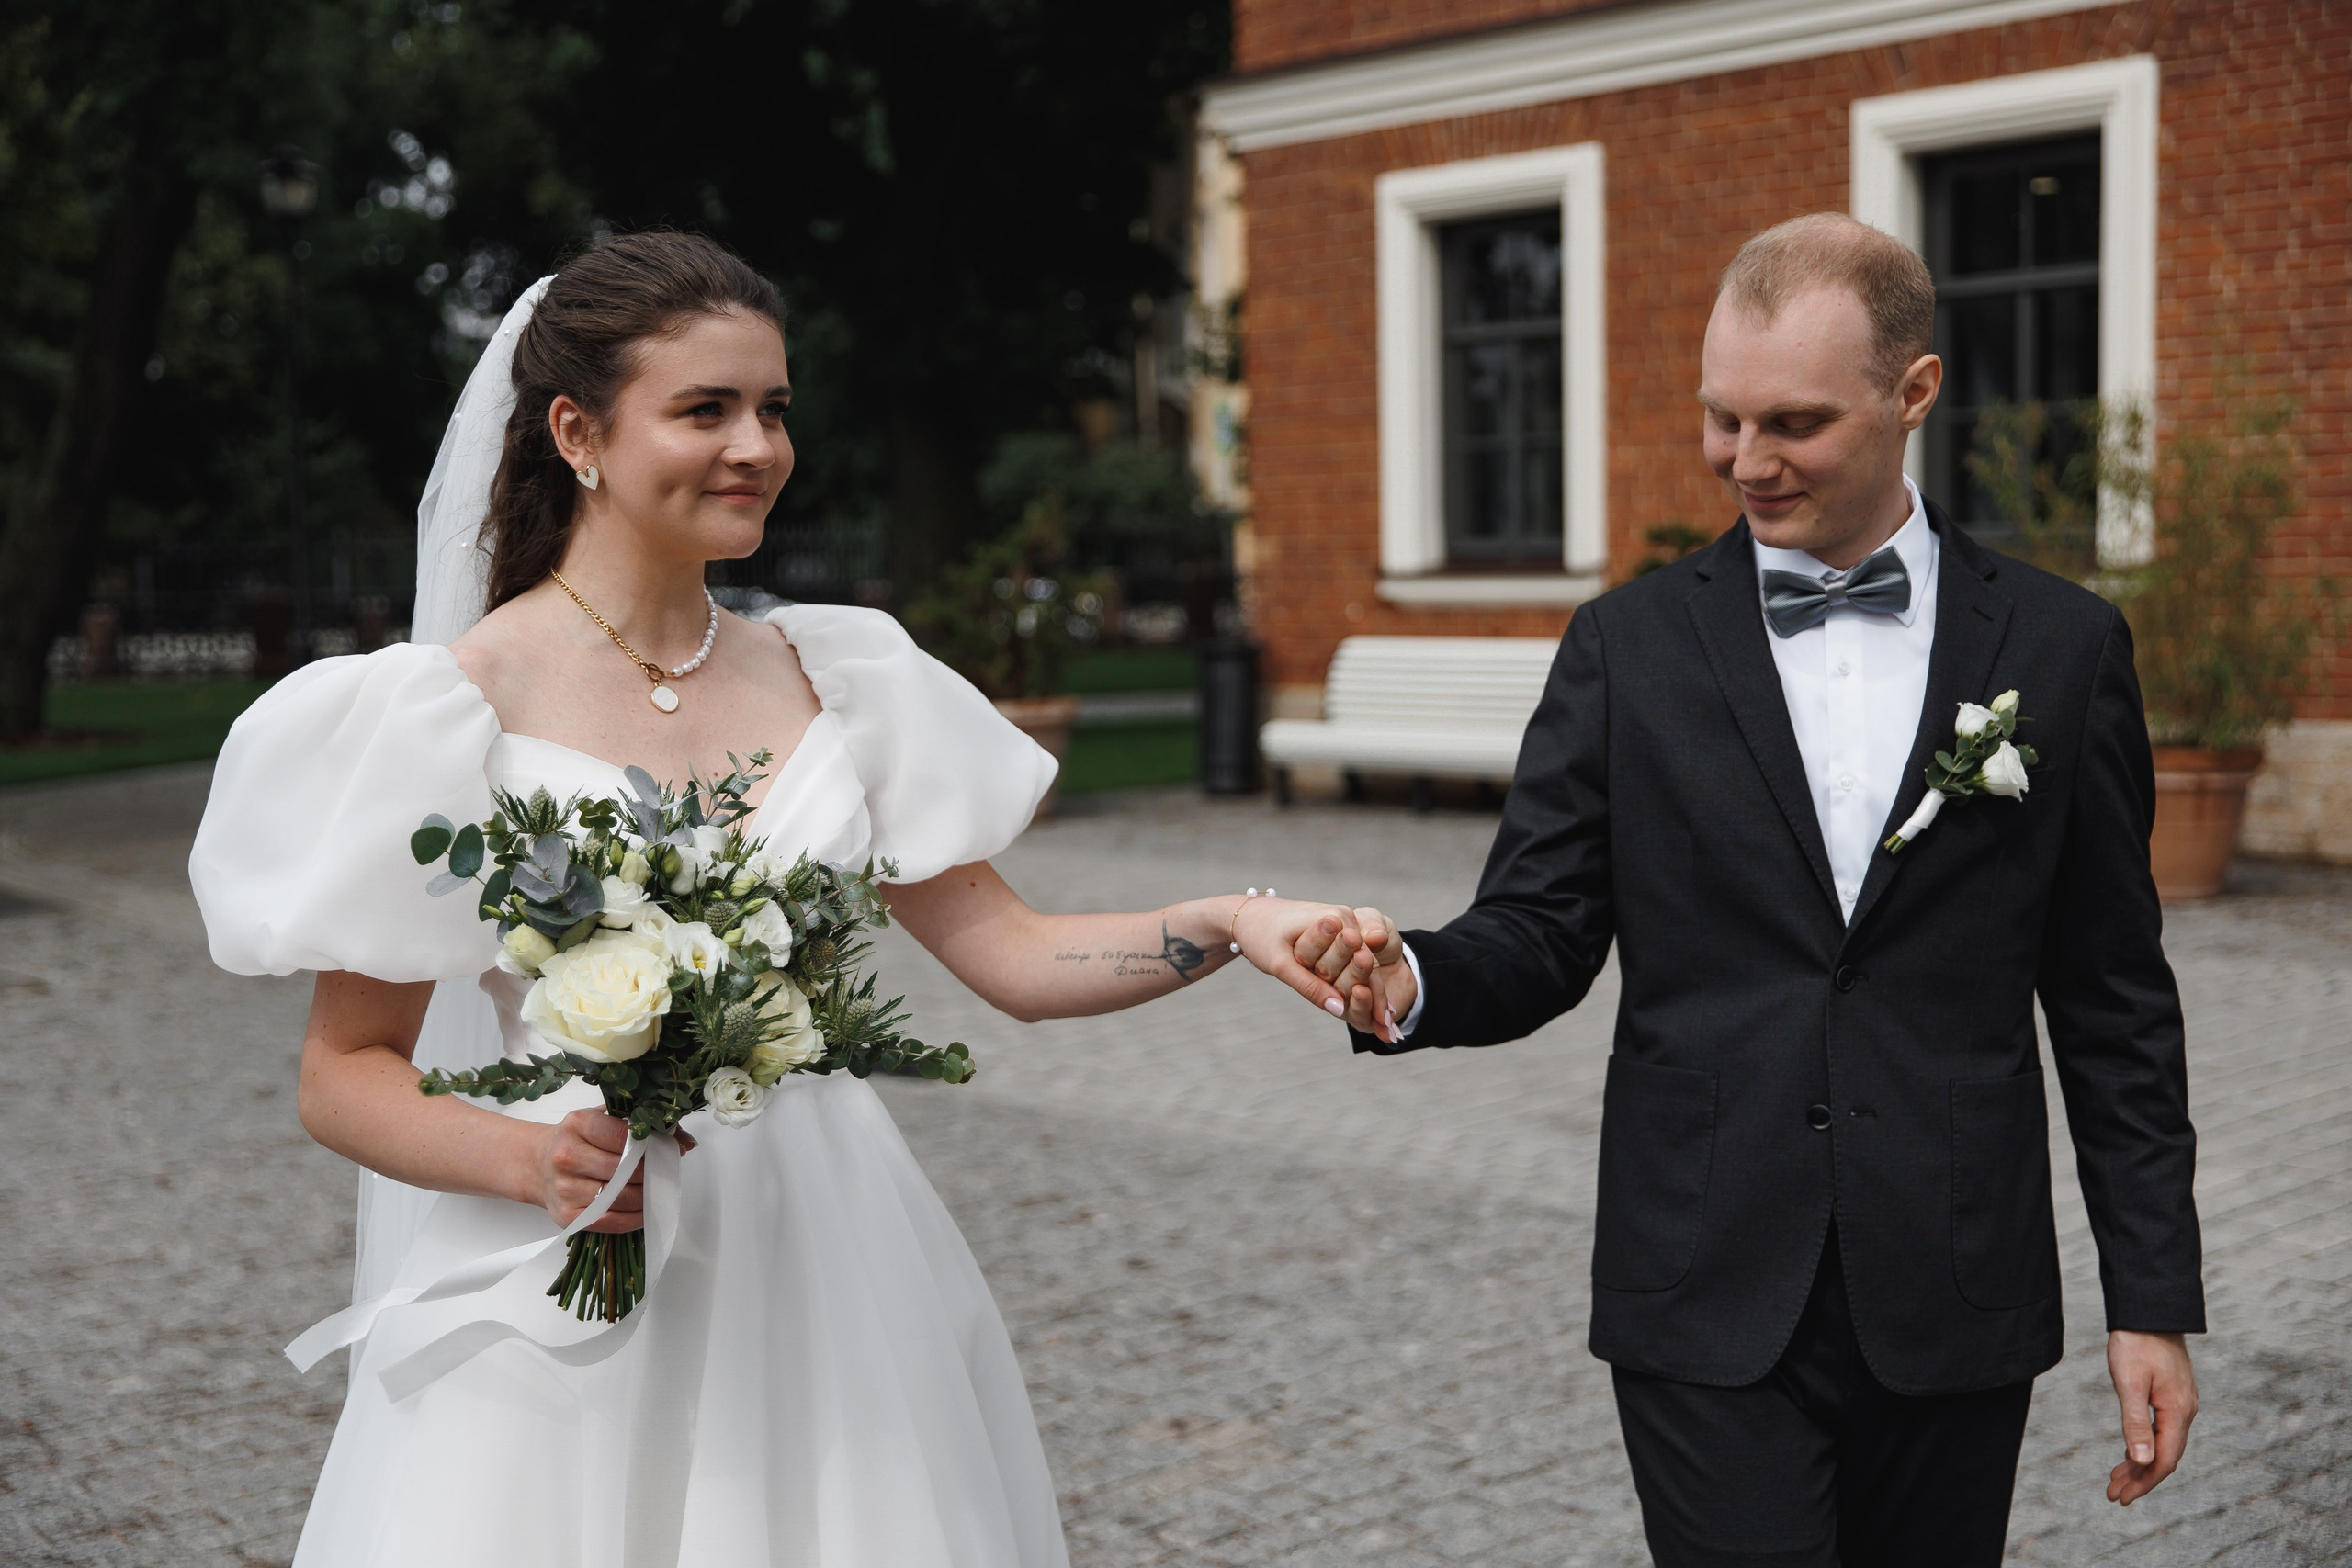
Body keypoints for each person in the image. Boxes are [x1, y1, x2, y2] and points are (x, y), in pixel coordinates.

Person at [188, 231, 1361, 1568]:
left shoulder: (835, 672)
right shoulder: (446, 710)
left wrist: (1229, 922)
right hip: (570, 1249)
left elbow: (1021, 958)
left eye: (774, 409)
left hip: (823, 1256)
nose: (756, 445)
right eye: (706, 409)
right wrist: (528, 1160)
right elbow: (343, 1073)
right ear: (577, 430)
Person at [1295, 215, 2203, 1565]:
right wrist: (1410, 978)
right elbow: (1542, 928)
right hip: (1703, 1272)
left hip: (1953, 1279)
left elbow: (2112, 995)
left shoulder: (2065, 650)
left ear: (1915, 393)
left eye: (1793, 421)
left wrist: (2151, 1296)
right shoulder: (1626, 648)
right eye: (1723, 419)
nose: (1746, 461)